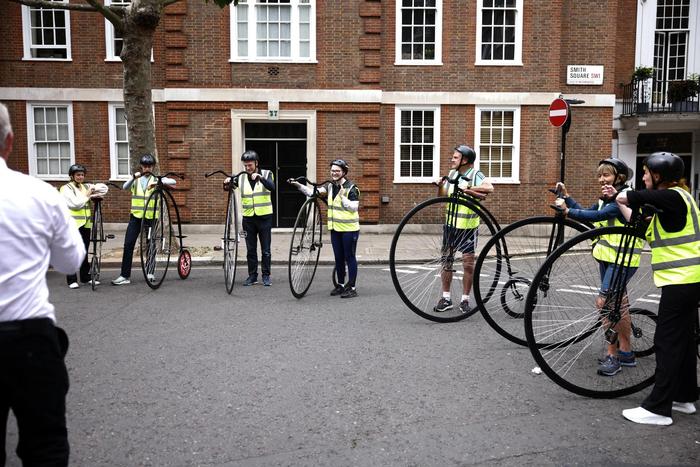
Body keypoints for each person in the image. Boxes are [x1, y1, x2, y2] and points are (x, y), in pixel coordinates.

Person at [0, 102, 84, 466]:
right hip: (28, 336)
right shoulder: (40, 194)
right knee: (45, 446)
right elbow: (71, 261)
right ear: (9, 142)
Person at [613, 152, 699, 426]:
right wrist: (618, 201)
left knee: (667, 341)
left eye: (647, 173)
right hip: (687, 281)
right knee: (683, 341)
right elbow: (640, 224)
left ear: (659, 176)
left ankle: (658, 409)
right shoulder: (673, 203)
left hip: (684, 280)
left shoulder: (673, 197)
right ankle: (684, 397)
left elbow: (633, 197)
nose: (645, 177)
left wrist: (623, 195)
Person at [555, 158, 641, 376]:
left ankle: (613, 355)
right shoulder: (606, 198)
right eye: (600, 175)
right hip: (608, 258)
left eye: (607, 175)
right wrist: (567, 198)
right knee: (620, 304)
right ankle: (627, 352)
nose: (602, 179)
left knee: (605, 304)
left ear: (619, 177)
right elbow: (588, 213)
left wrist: (568, 212)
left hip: (622, 259)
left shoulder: (622, 198)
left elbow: (599, 216)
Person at [433, 145, 493, 314]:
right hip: (451, 226)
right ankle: (446, 298)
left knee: (468, 265)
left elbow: (489, 188)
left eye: (455, 157)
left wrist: (469, 190)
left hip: (468, 227)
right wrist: (440, 185)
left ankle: (465, 300)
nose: (451, 160)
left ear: (465, 160)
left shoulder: (475, 174)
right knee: (447, 261)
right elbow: (442, 197)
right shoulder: (453, 174)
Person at [289, 159, 361, 298]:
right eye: (333, 170)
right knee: (339, 258)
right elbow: (312, 193)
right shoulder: (329, 187)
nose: (334, 173)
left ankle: (352, 287)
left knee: (349, 257)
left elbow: (354, 207)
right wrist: (298, 185)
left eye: (337, 171)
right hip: (335, 229)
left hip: (349, 229)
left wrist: (343, 199)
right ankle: (340, 285)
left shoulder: (352, 188)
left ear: (344, 172)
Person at [111, 154, 175, 285]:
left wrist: (160, 180)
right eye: (145, 166)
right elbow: (125, 187)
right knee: (128, 244)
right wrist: (133, 177)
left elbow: (173, 182)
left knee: (151, 245)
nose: (147, 168)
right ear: (141, 166)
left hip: (151, 218)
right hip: (136, 217)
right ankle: (124, 276)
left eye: (149, 166)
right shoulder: (136, 180)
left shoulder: (156, 179)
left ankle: (150, 272)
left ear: (153, 167)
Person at [230, 150, 275, 287]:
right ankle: (252, 276)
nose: (248, 168)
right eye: (245, 166)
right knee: (251, 250)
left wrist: (260, 177)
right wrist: (227, 181)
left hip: (264, 217)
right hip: (248, 218)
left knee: (266, 250)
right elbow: (230, 187)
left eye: (250, 165)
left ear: (256, 163)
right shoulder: (242, 177)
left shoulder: (267, 173)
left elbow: (272, 187)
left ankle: (266, 276)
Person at [59, 164, 108, 289]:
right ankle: (71, 280)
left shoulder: (85, 186)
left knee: (84, 251)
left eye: (82, 175)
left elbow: (103, 188)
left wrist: (94, 190)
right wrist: (88, 195)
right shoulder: (66, 189)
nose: (80, 177)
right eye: (78, 175)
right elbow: (75, 204)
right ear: (72, 176)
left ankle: (85, 278)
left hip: (85, 224)